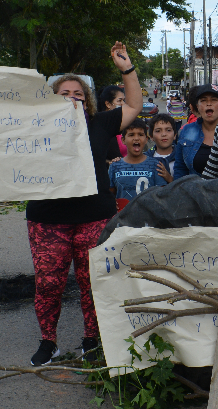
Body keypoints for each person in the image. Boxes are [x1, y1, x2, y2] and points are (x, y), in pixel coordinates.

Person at [25, 44, 142, 366]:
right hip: (47, 220)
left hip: (94, 217)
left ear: (87, 99)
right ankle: (48, 342)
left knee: (93, 283)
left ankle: (92, 339)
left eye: (78, 92)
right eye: (65, 92)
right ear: (52, 98)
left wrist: (126, 68)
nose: (73, 96)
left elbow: (134, 104)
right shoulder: (33, 128)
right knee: (48, 283)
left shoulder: (101, 124)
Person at [109, 119, 167, 209]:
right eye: (131, 135)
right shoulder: (115, 166)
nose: (136, 138)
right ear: (123, 140)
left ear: (146, 139)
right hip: (123, 219)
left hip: (149, 218)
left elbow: (162, 194)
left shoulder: (155, 165)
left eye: (140, 134)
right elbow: (110, 193)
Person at [173, 85, 218, 179]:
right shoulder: (187, 131)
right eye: (203, 100)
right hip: (194, 191)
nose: (209, 104)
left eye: (213, 100)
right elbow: (180, 169)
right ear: (197, 106)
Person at [99, 84, 127, 161]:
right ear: (108, 104)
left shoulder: (124, 123)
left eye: (123, 100)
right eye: (119, 100)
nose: (123, 104)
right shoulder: (99, 126)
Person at [147, 114, 178, 182]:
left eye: (168, 130)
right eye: (158, 131)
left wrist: (169, 178)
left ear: (175, 135)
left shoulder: (182, 157)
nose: (164, 134)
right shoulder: (145, 158)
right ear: (151, 137)